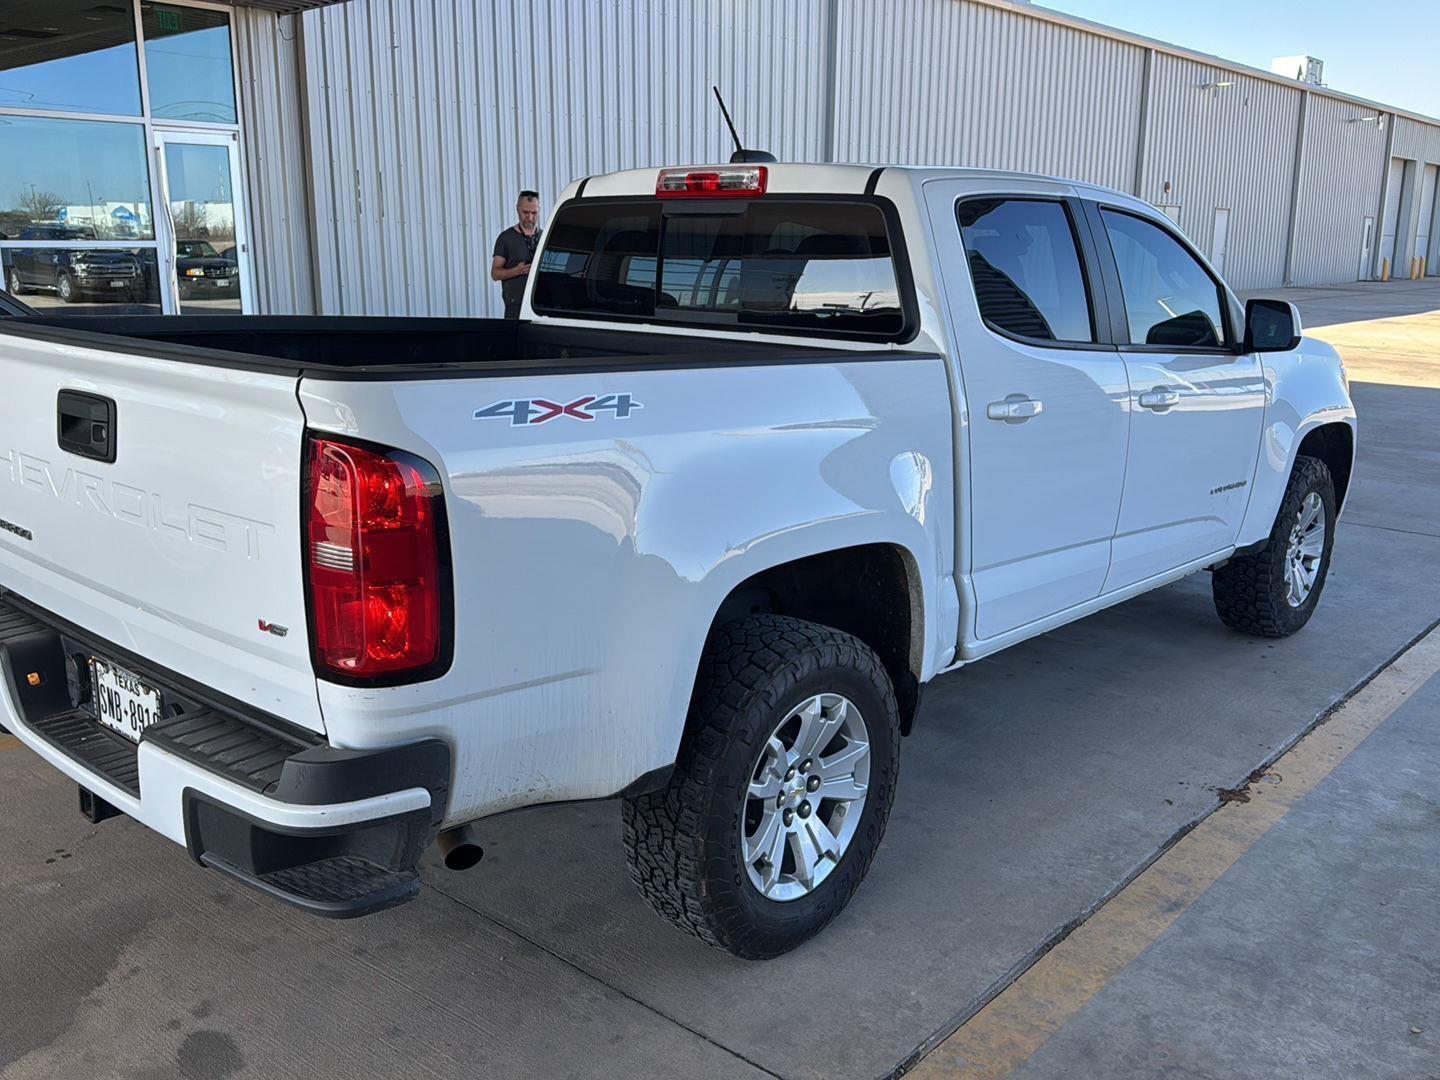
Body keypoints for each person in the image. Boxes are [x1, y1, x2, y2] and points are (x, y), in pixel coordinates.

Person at [491, 189, 542, 319]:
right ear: (517, 209)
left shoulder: (545, 236)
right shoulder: (505, 238)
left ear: (539, 210)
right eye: (525, 212)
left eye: (534, 212)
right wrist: (516, 271)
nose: (530, 217)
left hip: (542, 306)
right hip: (515, 307)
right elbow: (495, 274)